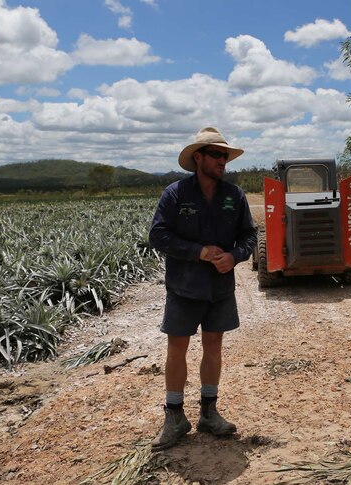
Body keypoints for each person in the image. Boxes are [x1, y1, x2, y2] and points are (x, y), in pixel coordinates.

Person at [148, 127, 257, 451]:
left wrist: (234, 256)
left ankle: (209, 413)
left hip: (220, 288)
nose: (223, 160)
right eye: (216, 154)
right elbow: (158, 235)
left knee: (213, 345)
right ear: (199, 157)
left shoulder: (233, 196)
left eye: (225, 155)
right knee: (177, 349)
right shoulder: (175, 194)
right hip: (183, 287)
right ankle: (175, 417)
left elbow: (249, 237)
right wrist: (198, 252)